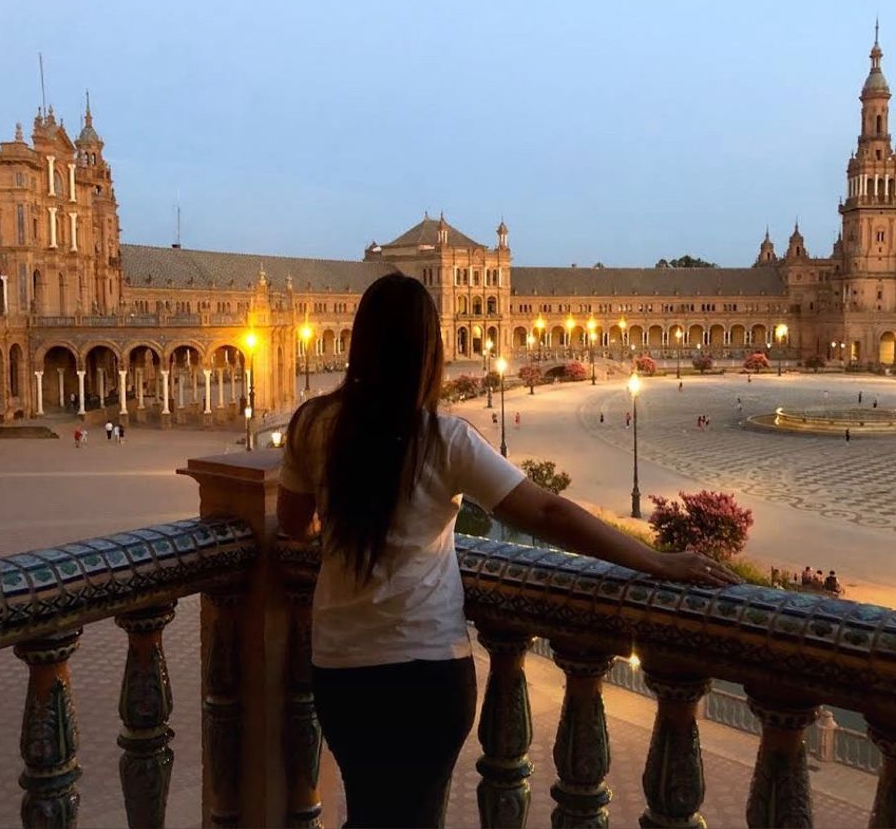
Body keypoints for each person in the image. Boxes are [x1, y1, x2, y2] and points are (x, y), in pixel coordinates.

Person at [274, 275, 740, 828]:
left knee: (370, 810)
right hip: (426, 668)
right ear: (430, 351)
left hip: (342, 665)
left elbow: (293, 525)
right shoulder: (445, 440)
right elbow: (548, 513)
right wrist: (658, 561)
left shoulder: (312, 426)